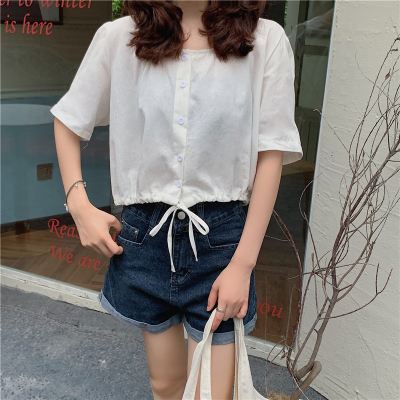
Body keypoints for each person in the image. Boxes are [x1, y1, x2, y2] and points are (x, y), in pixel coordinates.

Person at [50, 1, 303, 399]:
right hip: (145, 236)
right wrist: (79, 206)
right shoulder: (120, 38)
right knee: (165, 384)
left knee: (211, 393)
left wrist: (243, 264)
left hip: (221, 243)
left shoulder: (265, 40)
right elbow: (69, 120)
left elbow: (271, 153)